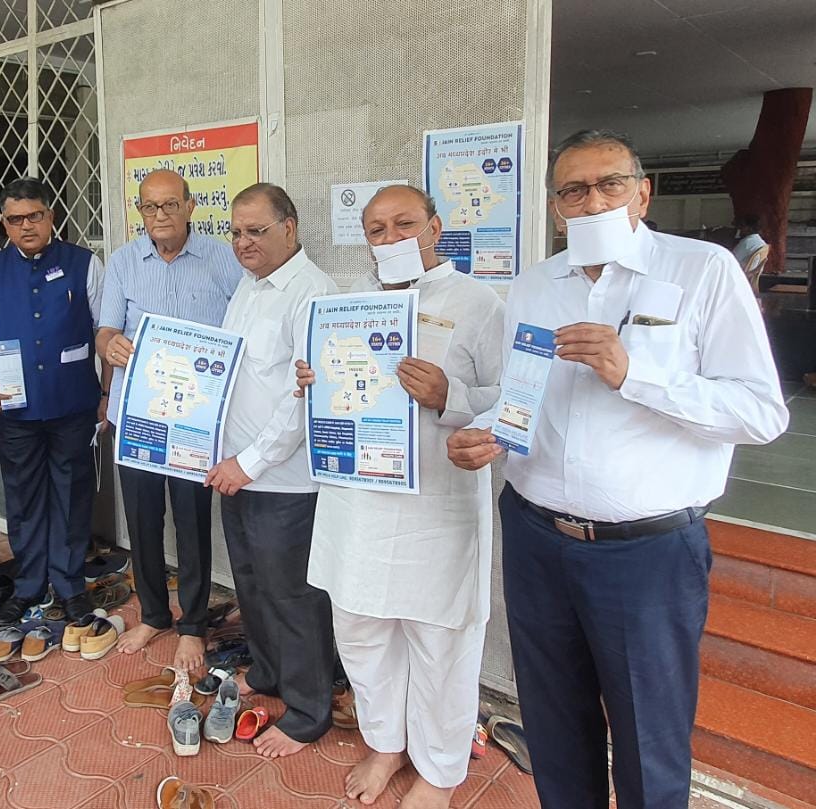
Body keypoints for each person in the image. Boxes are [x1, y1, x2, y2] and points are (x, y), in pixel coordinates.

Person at [447, 129, 788, 808]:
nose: (593, 201)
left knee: (648, 737)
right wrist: (487, 432)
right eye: (573, 190)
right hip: (537, 538)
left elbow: (761, 413)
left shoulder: (701, 271)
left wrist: (635, 374)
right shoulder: (533, 286)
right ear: (556, 208)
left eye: (609, 184)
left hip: (646, 553)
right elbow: (523, 394)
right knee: (553, 720)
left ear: (642, 195)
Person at [295, 186, 503, 807]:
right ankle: (386, 742)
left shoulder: (479, 304)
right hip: (357, 503)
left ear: (435, 228)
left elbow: (512, 399)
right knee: (360, 630)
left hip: (435, 507)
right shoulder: (346, 306)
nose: (391, 239)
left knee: (440, 642)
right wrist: (315, 381)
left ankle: (439, 771)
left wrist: (449, 395)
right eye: (377, 230)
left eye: (404, 224)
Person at [207, 182, 338, 758]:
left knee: (292, 595)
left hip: (283, 480)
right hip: (236, 471)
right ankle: (266, 673)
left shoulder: (312, 294)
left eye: (256, 231)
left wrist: (250, 462)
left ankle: (309, 712)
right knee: (251, 583)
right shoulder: (249, 286)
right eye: (236, 232)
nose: (243, 242)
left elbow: (303, 400)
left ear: (290, 228)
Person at [96, 168, 243, 670]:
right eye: (150, 206)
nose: (160, 215)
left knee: (191, 518)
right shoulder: (122, 262)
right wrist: (110, 345)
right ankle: (154, 614)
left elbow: (243, 328)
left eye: (170, 204)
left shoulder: (223, 258)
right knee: (141, 519)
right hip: (139, 414)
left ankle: (194, 625)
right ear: (140, 211)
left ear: (190, 205)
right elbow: (106, 330)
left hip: (195, 420)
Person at [0, 177, 106, 628]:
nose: (26, 226)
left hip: (73, 403)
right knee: (23, 496)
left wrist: (107, 394)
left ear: (51, 216)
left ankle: (69, 585)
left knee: (71, 495)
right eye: (15, 219)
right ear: (3, 223)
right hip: (17, 407)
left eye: (35, 216)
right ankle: (28, 585)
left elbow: (106, 332)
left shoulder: (85, 264)